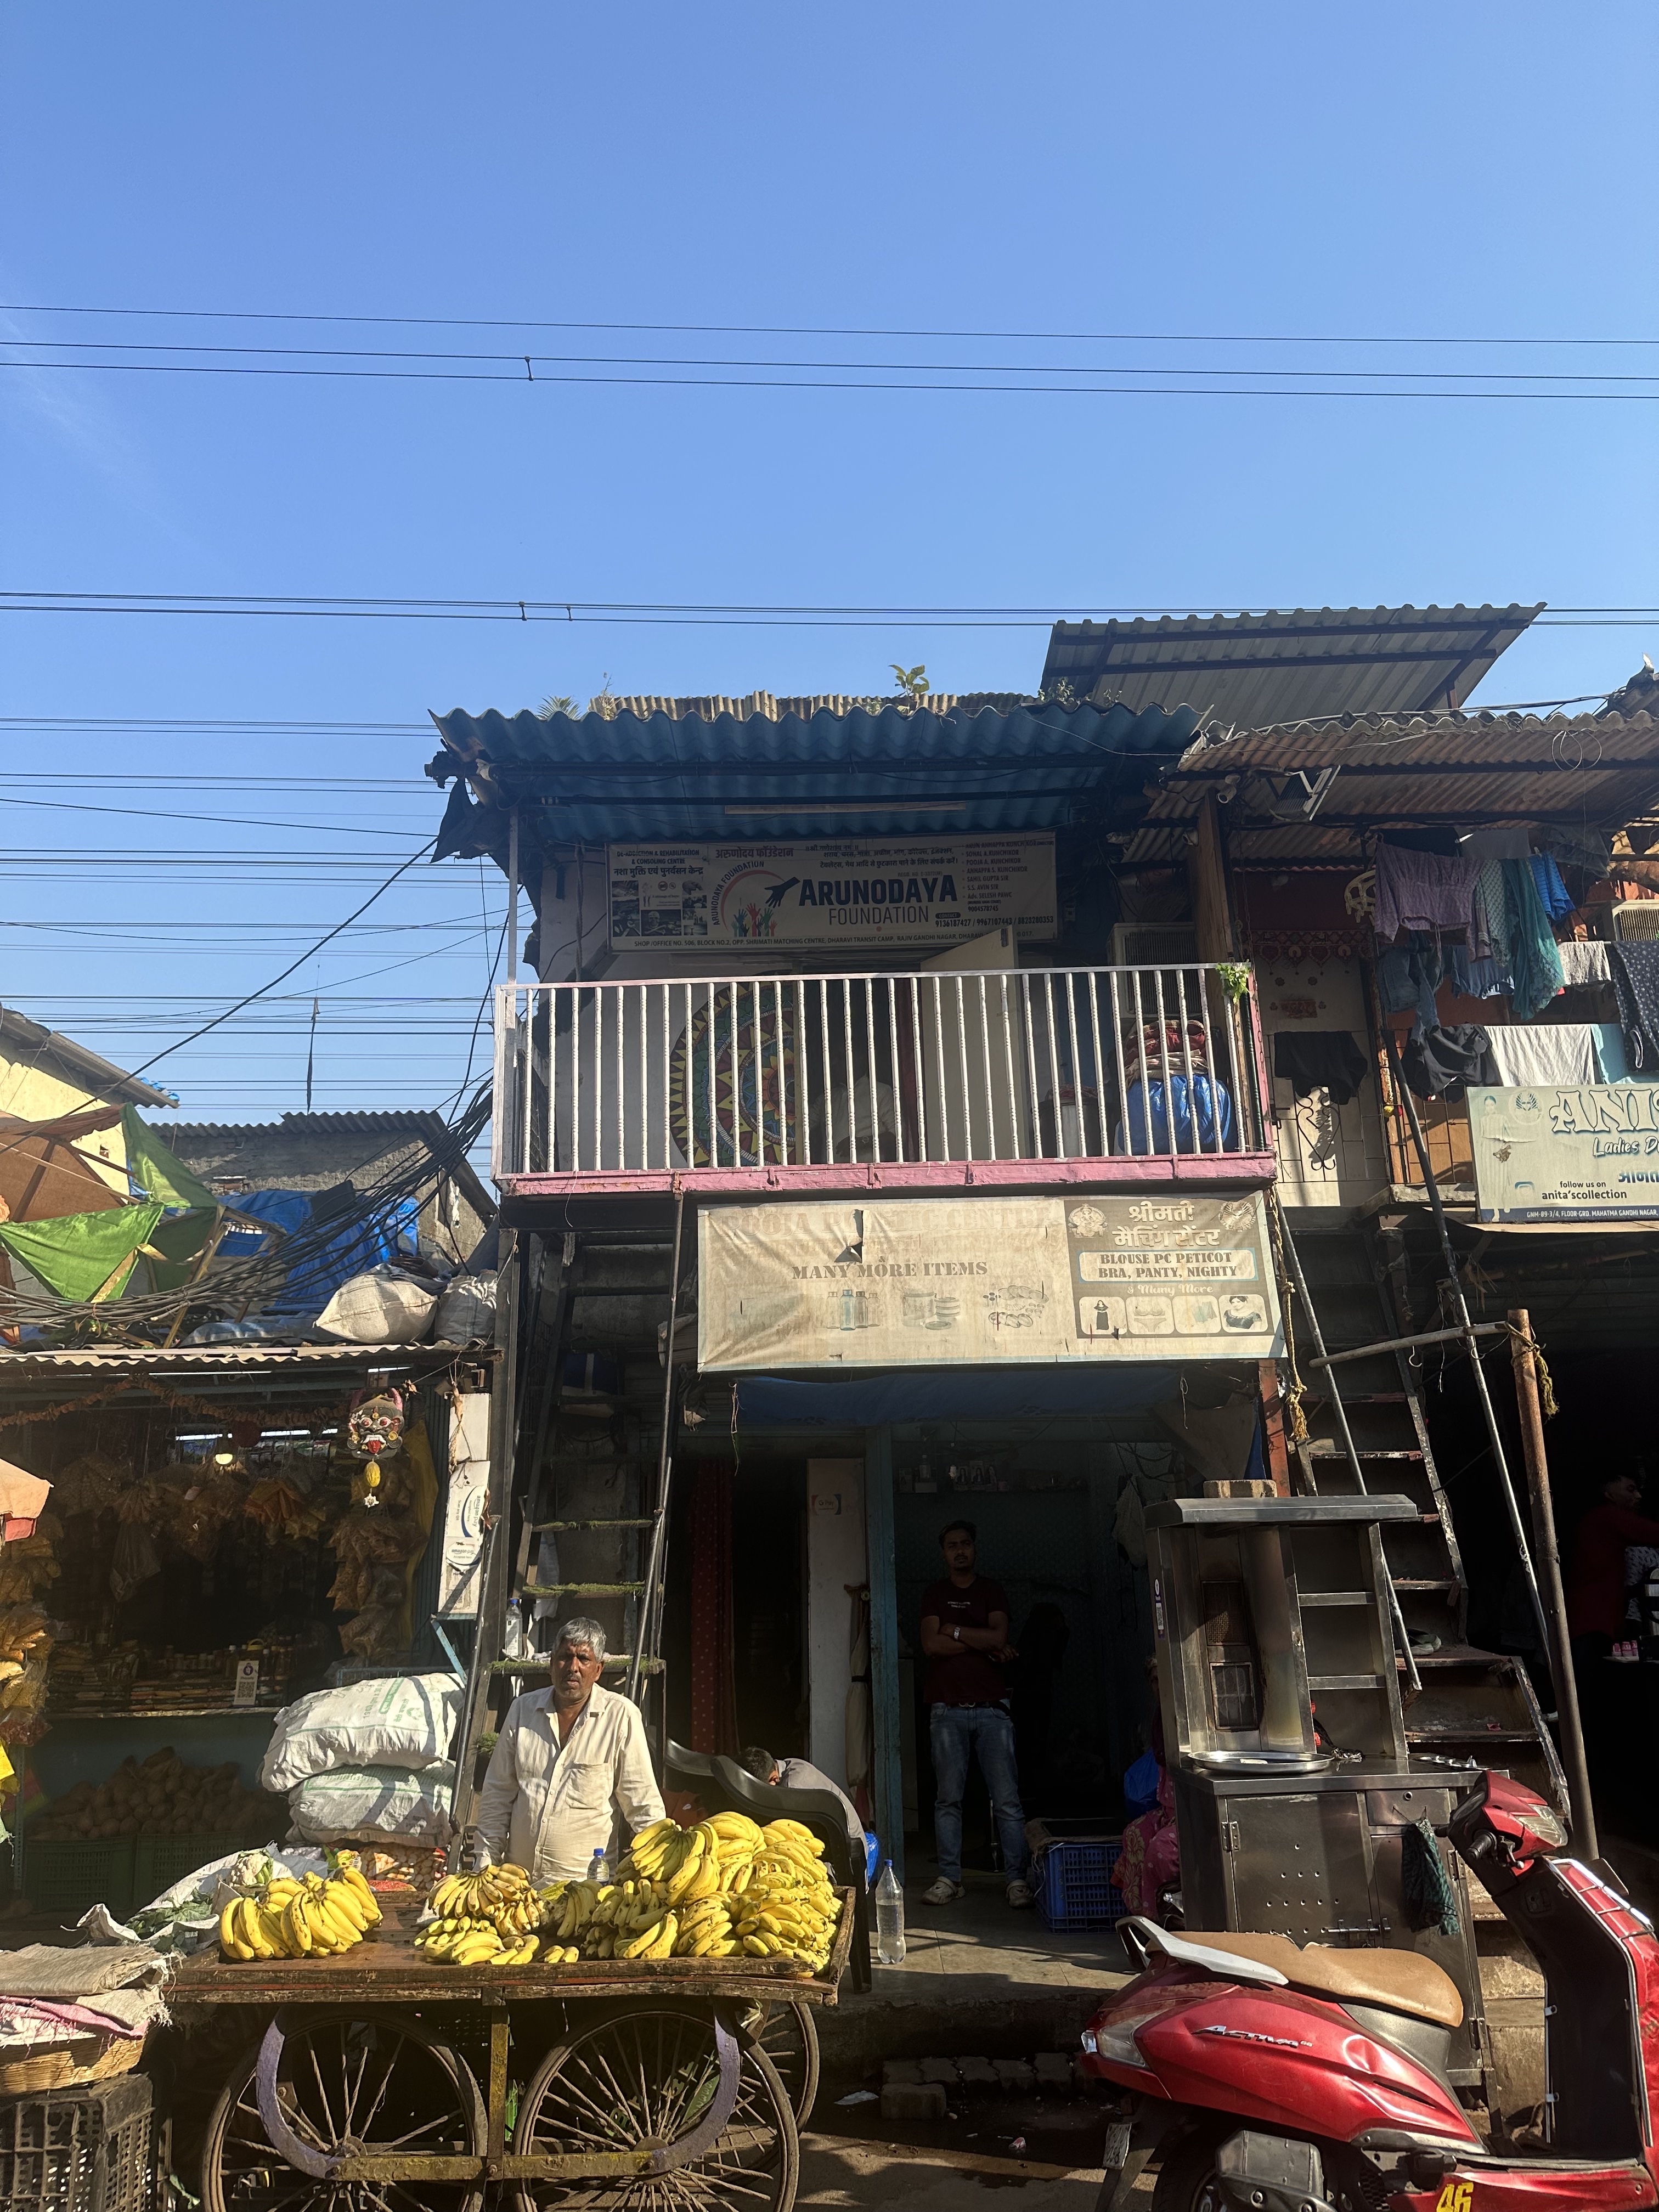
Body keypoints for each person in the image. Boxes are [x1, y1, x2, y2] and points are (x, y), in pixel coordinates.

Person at [475, 1616, 665, 1882]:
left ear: (598, 1670)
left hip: (584, 1891)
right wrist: (484, 1868)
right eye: (565, 1657)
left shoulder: (621, 1717)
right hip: (517, 1886)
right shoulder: (523, 1710)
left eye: (583, 1659)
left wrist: (660, 1872)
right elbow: (498, 1794)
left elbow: (643, 1805)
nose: (573, 1668)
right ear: (552, 1664)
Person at [918, 1520, 1032, 1908]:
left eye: (966, 1543)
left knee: (1007, 1800)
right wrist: (977, 1641)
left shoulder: (991, 1591)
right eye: (952, 1545)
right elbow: (930, 1645)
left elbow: (998, 1638)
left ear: (975, 1548)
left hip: (991, 1710)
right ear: (944, 1553)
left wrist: (954, 1631)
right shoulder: (935, 1594)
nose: (960, 1550)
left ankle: (1017, 1880)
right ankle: (950, 1878)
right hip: (947, 1710)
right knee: (948, 1800)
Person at [1566, 1471, 1659, 1666]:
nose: (1638, 1496)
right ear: (1608, 1493)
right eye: (1631, 1489)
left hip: (1597, 1621)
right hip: (1592, 1623)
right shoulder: (1606, 1517)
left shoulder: (1597, 1521)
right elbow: (1651, 1533)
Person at [739, 1745, 867, 1864]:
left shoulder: (793, 1785)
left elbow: (791, 1836)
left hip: (847, 1856)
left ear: (774, 1780)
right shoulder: (786, 1765)